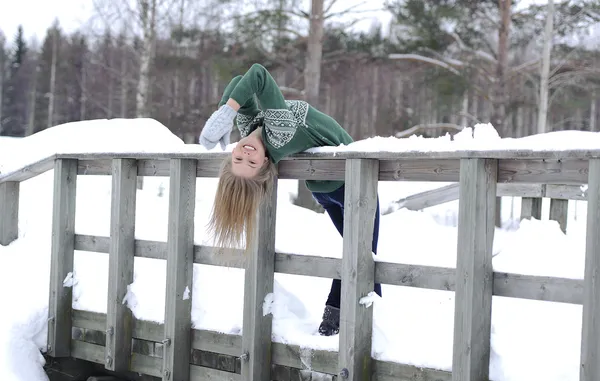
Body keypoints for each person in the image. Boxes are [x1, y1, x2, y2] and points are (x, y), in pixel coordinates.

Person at [199, 63, 382, 336]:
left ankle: (338, 322)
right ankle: (338, 326)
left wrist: (228, 109)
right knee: (365, 254)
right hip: (349, 185)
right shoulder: (278, 131)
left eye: (238, 158)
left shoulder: (250, 124)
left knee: (357, 251)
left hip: (326, 186)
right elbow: (258, 74)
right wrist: (226, 111)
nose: (246, 154)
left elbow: (241, 80)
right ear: (264, 164)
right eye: (251, 162)